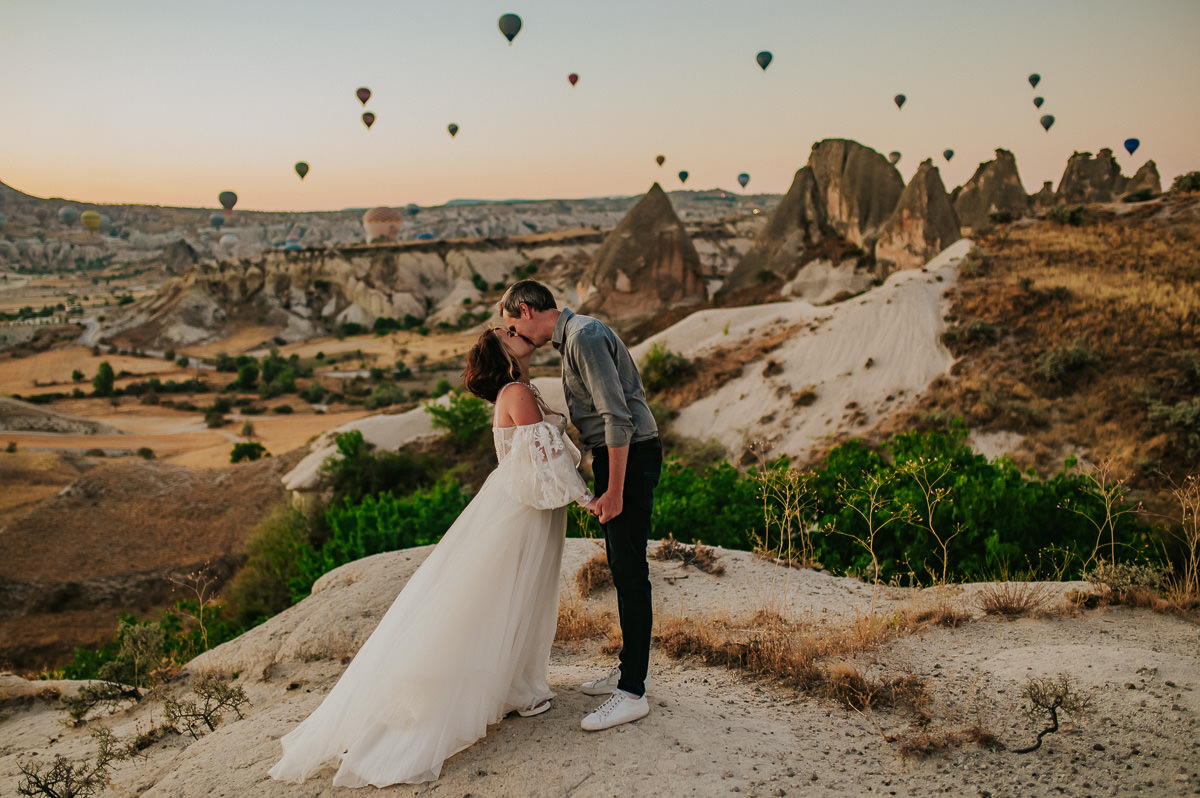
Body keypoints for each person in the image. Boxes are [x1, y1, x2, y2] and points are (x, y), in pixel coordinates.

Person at [268, 328, 593, 787]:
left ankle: (514, 686)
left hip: (524, 503)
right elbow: (549, 461)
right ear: (502, 355)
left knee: (514, 592)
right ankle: (512, 690)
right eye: (506, 333)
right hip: (522, 507)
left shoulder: (522, 388)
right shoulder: (517, 391)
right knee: (505, 594)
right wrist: (588, 499)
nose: (515, 332)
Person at [499, 280, 661, 732]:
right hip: (616, 455)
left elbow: (618, 417)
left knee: (629, 572)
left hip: (626, 454)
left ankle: (632, 693)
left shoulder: (584, 337)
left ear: (527, 310)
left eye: (513, 326)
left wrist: (614, 488)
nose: (514, 336)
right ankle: (631, 671)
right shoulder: (576, 336)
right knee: (621, 564)